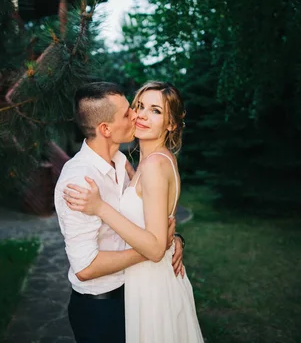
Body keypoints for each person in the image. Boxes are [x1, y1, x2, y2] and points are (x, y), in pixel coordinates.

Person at [63, 81, 204, 342]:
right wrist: (168, 241)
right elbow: (86, 266)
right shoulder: (129, 165)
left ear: (171, 124)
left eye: (155, 111)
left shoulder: (150, 165)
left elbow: (153, 244)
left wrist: (101, 208)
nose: (139, 115)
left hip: (151, 286)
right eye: (138, 107)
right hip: (115, 296)